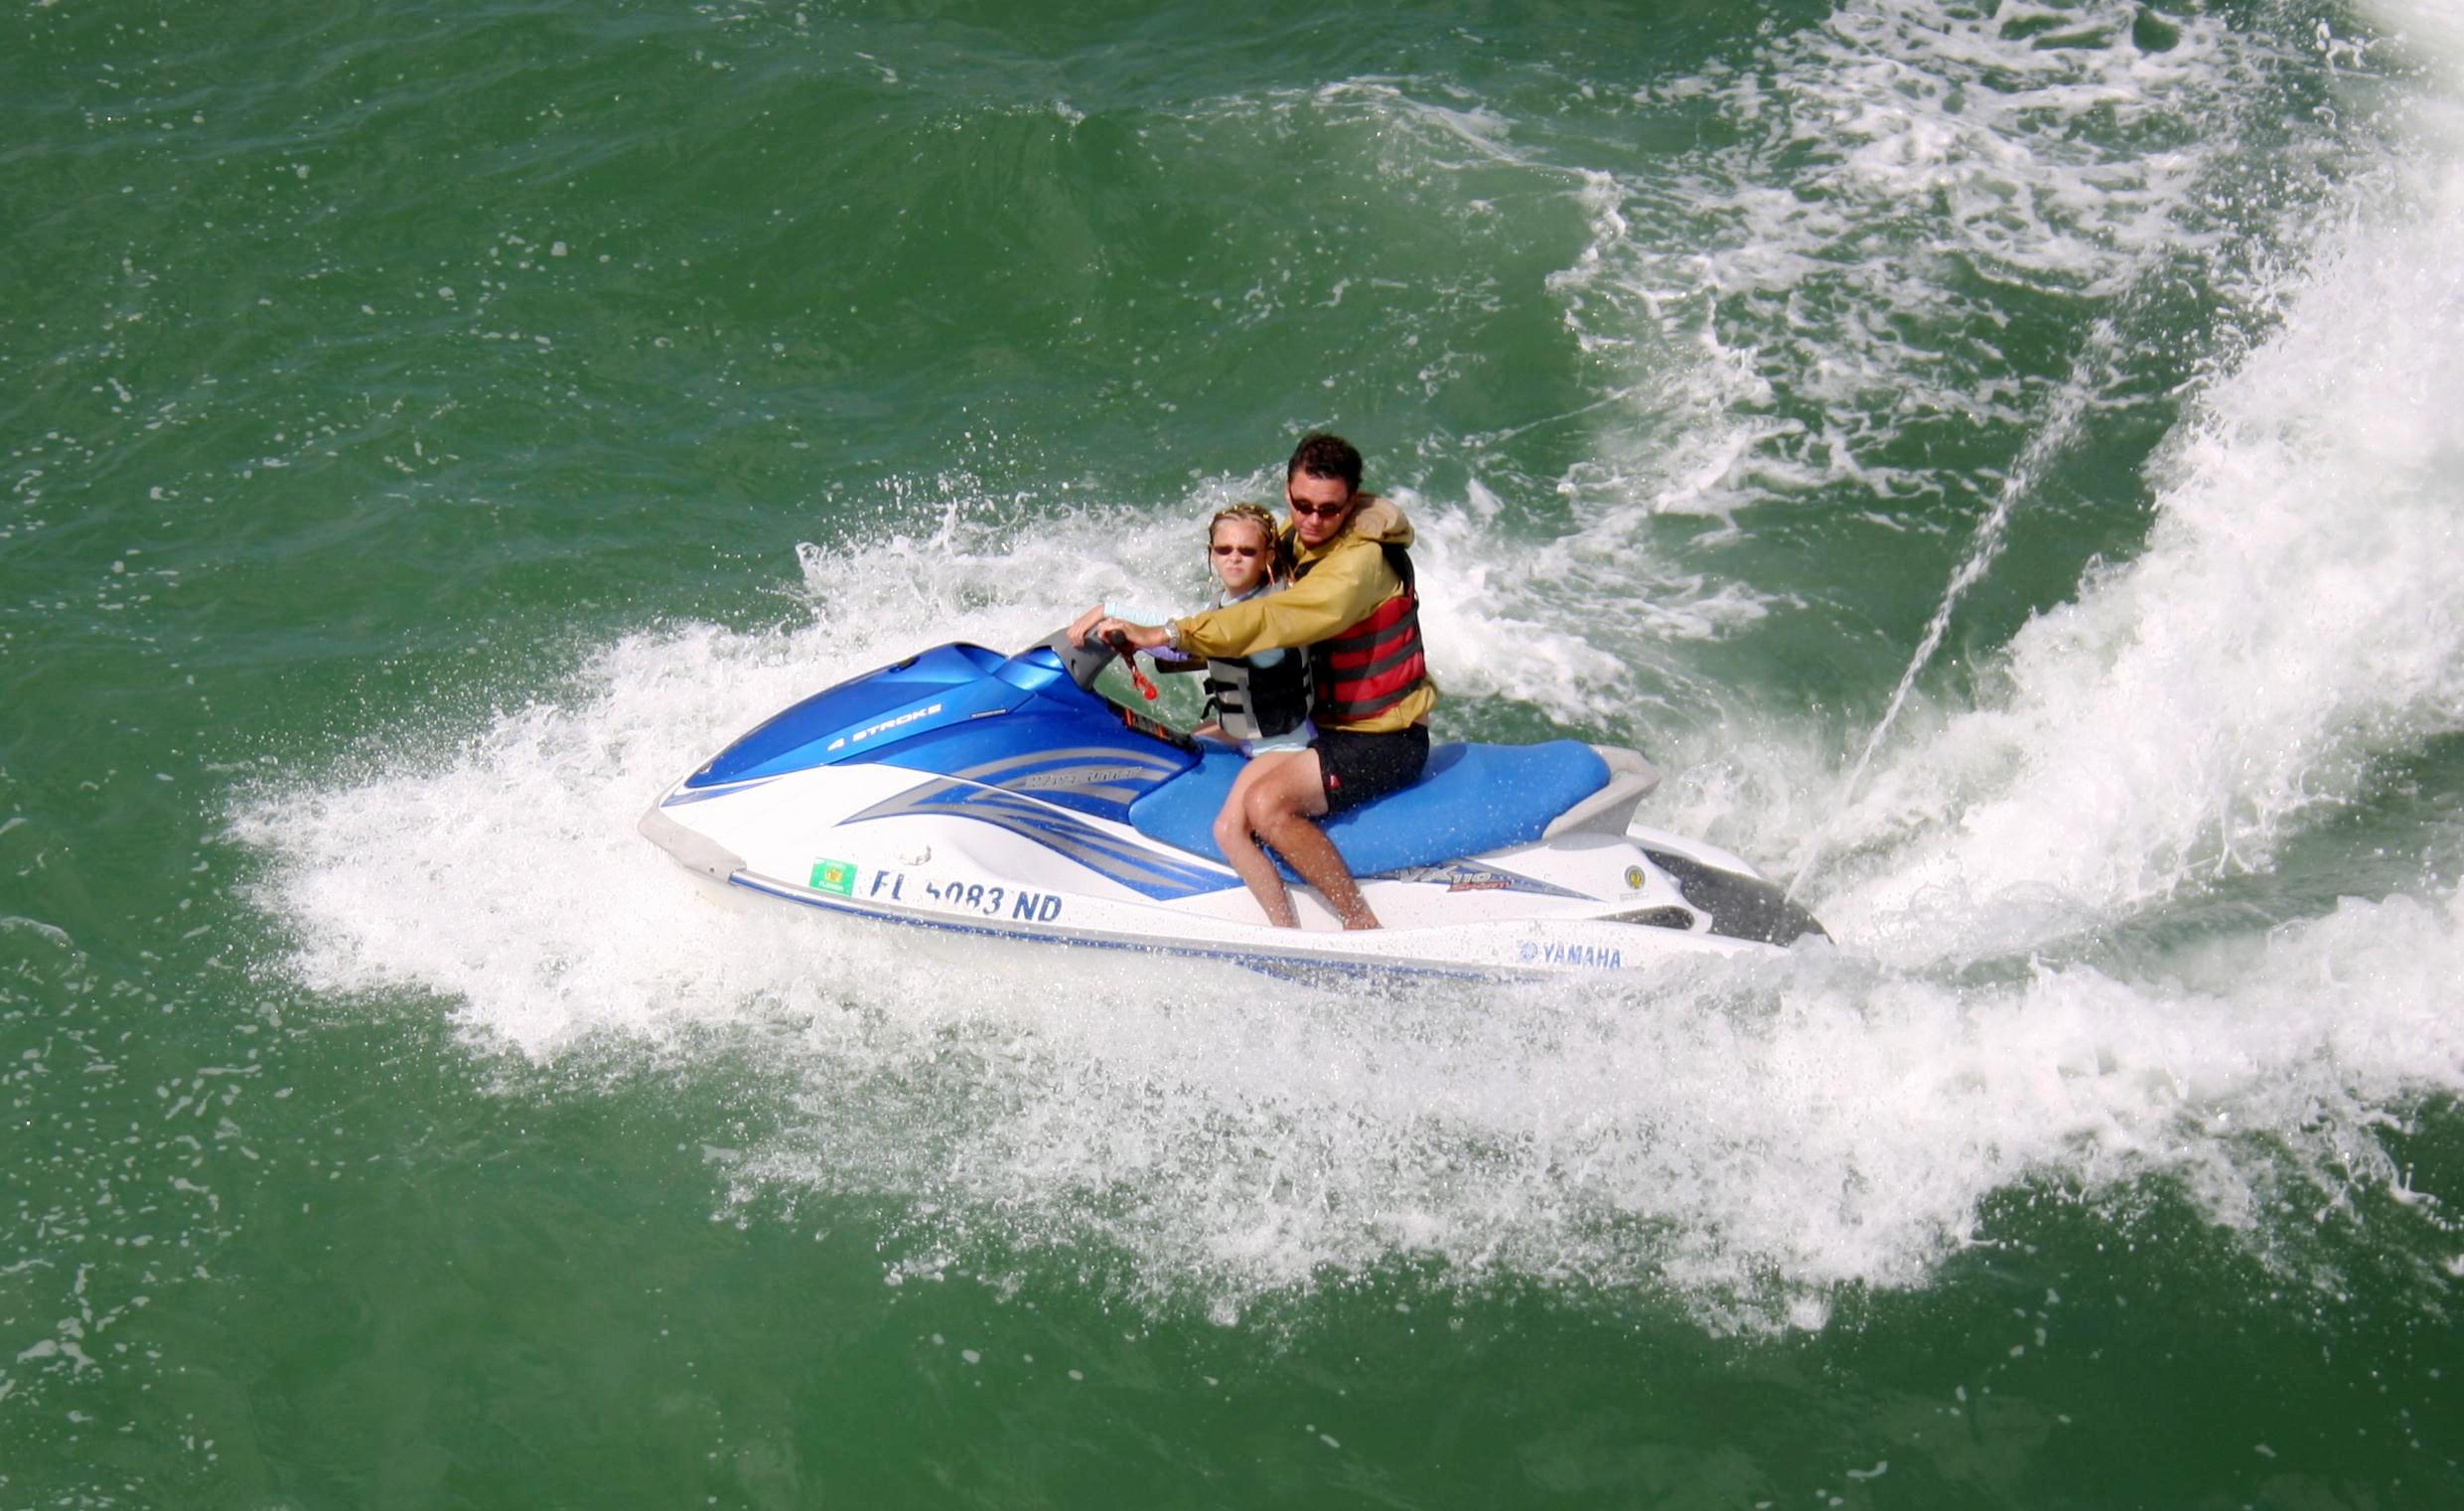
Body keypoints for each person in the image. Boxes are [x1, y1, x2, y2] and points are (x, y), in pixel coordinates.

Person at [1086, 433, 1435, 930]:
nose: (1312, 519)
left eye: (1329, 510)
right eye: (1302, 504)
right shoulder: (1298, 539)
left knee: (1267, 806)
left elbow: (1272, 620)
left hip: (1380, 739)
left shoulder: (1358, 568)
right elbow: (1237, 622)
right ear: (1289, 492)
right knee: (1191, 743)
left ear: (1351, 502)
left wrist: (1169, 633)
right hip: (1326, 722)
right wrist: (1123, 622)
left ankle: (1360, 924)